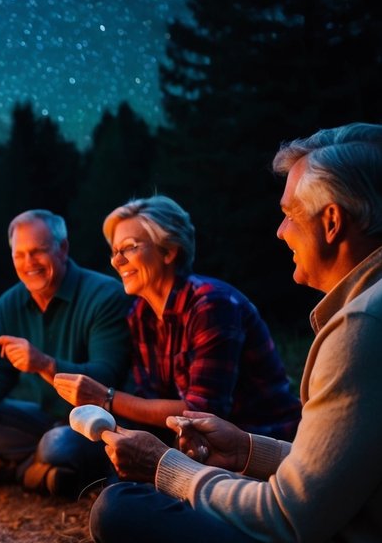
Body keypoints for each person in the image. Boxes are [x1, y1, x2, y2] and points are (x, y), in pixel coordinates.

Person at [88, 124, 382, 543]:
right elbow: (347, 472)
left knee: (121, 509)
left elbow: (292, 521)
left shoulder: (362, 327)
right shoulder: (366, 311)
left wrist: (166, 469)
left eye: (289, 215)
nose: (279, 231)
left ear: (331, 222)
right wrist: (247, 451)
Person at [52, 196, 301, 469]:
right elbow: (150, 400)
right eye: (114, 252)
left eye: (128, 248)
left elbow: (203, 412)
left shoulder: (211, 305)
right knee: (65, 445)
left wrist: (105, 398)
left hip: (258, 445)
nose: (117, 261)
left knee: (114, 496)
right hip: (191, 444)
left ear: (169, 251)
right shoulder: (141, 314)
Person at [0, 209, 132, 495]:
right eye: (20, 255)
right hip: (41, 418)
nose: (29, 263)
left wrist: (44, 364)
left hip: (94, 423)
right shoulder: (11, 302)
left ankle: (14, 467)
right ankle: (38, 469)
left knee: (57, 444)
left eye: (38, 251)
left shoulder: (105, 296)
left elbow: (107, 378)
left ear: (62, 249)